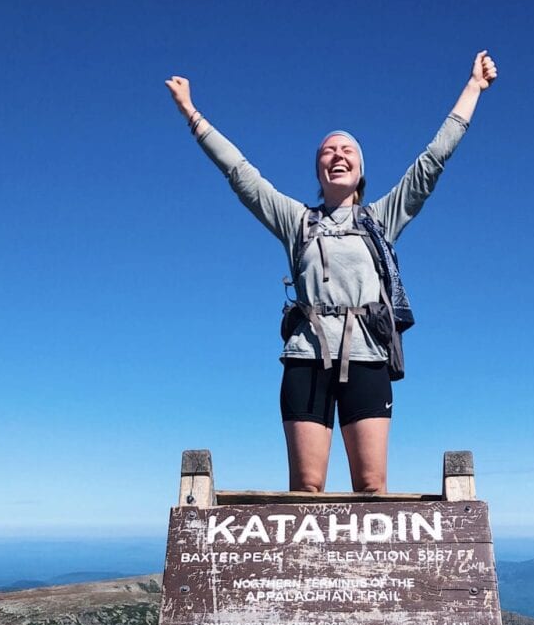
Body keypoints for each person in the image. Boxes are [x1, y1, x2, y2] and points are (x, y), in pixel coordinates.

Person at [165, 51, 497, 494]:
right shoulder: (295, 221)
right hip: (305, 356)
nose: (337, 155)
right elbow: (239, 172)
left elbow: (431, 162)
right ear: (318, 170)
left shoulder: (382, 218)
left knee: (373, 487)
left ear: (360, 171)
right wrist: (192, 113)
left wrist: (473, 88)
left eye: (347, 151)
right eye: (328, 151)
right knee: (305, 488)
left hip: (368, 356)